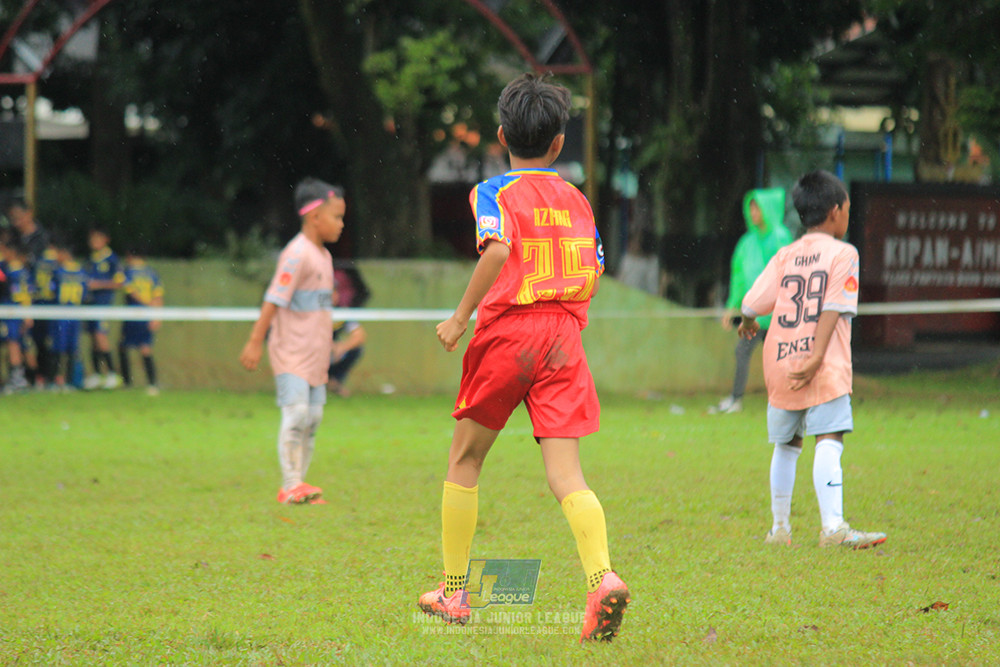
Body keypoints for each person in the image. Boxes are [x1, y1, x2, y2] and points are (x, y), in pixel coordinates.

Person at [416, 73, 630, 643]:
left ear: (501, 134)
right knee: (567, 474)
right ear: (559, 143)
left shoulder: (495, 192)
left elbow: (500, 248)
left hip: (509, 331)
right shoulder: (579, 200)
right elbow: (595, 269)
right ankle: (602, 578)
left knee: (465, 460)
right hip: (563, 335)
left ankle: (454, 591)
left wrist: (461, 317)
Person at [738, 169, 887, 549]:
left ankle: (779, 529)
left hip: (781, 360)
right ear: (836, 211)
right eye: (848, 210)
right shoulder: (844, 254)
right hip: (823, 363)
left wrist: (748, 321)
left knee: (787, 444)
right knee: (829, 438)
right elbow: (834, 307)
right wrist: (817, 354)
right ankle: (833, 527)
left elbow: (751, 302)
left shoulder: (785, 254)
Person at [240, 178, 345, 505]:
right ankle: (289, 484)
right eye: (337, 217)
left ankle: (298, 485)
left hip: (315, 355)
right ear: (315, 216)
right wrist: (255, 341)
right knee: (297, 413)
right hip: (291, 352)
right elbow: (273, 300)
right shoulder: (296, 254)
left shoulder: (324, 257)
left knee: (312, 419)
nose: (341, 225)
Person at [711, 188, 792, 414]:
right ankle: (736, 399)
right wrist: (732, 307)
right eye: (751, 207)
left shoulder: (781, 237)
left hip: (777, 315)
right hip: (753, 315)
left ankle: (787, 400)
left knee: (782, 358)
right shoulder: (746, 243)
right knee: (742, 352)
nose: (753, 212)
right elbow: (738, 278)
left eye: (757, 207)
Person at [118, 247, 164, 395]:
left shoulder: (127, 271)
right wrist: (156, 315)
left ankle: (127, 383)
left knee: (124, 346)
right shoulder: (152, 273)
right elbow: (158, 296)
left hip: (134, 313)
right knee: (145, 347)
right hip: (147, 315)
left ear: (130, 255)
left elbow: (130, 291)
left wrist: (146, 304)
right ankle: (152, 384)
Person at [84, 226, 124, 390]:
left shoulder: (111, 259)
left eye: (97, 238)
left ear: (105, 239)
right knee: (93, 338)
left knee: (101, 337)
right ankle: (97, 375)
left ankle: (113, 374)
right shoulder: (92, 258)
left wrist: (98, 285)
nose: (93, 242)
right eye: (91, 239)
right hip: (90, 304)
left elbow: (119, 282)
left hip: (103, 305)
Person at [49, 237, 89, 392]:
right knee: (72, 349)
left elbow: (52, 291)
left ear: (64, 253)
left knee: (58, 349)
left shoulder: (58, 272)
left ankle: (55, 380)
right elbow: (85, 294)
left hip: (61, 314)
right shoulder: (81, 272)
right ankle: (70, 381)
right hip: (75, 314)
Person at [328, 262, 369, 397]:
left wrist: (342, 347)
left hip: (331, 352)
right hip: (313, 352)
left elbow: (359, 335)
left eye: (334, 291)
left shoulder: (341, 313)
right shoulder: (311, 312)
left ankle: (334, 381)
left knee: (356, 349)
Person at [0, 236, 34, 392]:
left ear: (10, 252)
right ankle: (26, 378)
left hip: (12, 312)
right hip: (19, 311)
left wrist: (26, 314)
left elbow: (20, 294)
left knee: (13, 344)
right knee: (20, 345)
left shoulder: (11, 272)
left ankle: (17, 379)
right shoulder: (22, 270)